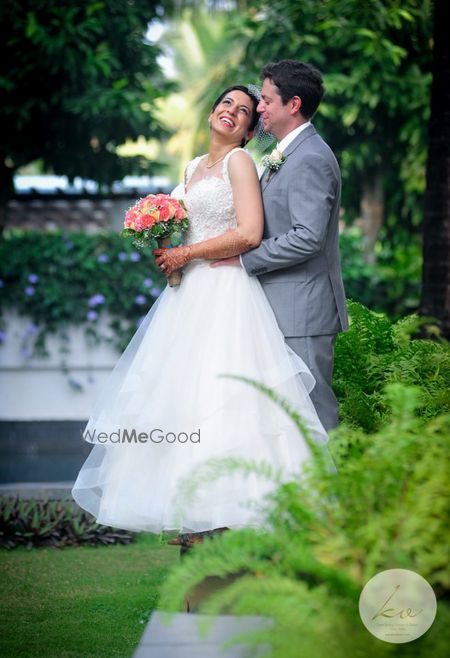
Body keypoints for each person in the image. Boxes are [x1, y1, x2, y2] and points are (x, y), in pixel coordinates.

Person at [71, 85, 330, 549]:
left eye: (245, 111)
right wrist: (165, 246)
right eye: (227, 103)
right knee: (180, 397)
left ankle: (231, 516)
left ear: (251, 131)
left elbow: (249, 233)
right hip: (185, 298)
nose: (232, 112)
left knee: (222, 398)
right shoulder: (192, 167)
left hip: (225, 292)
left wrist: (186, 252)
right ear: (212, 110)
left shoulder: (240, 163)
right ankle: (197, 518)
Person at [212, 61, 349, 432]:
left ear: (293, 105)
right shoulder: (287, 153)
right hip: (282, 306)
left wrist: (243, 259)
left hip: (302, 311)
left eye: (267, 100)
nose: (259, 108)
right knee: (287, 420)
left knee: (313, 414)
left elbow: (308, 236)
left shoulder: (311, 158)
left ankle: (334, 490)